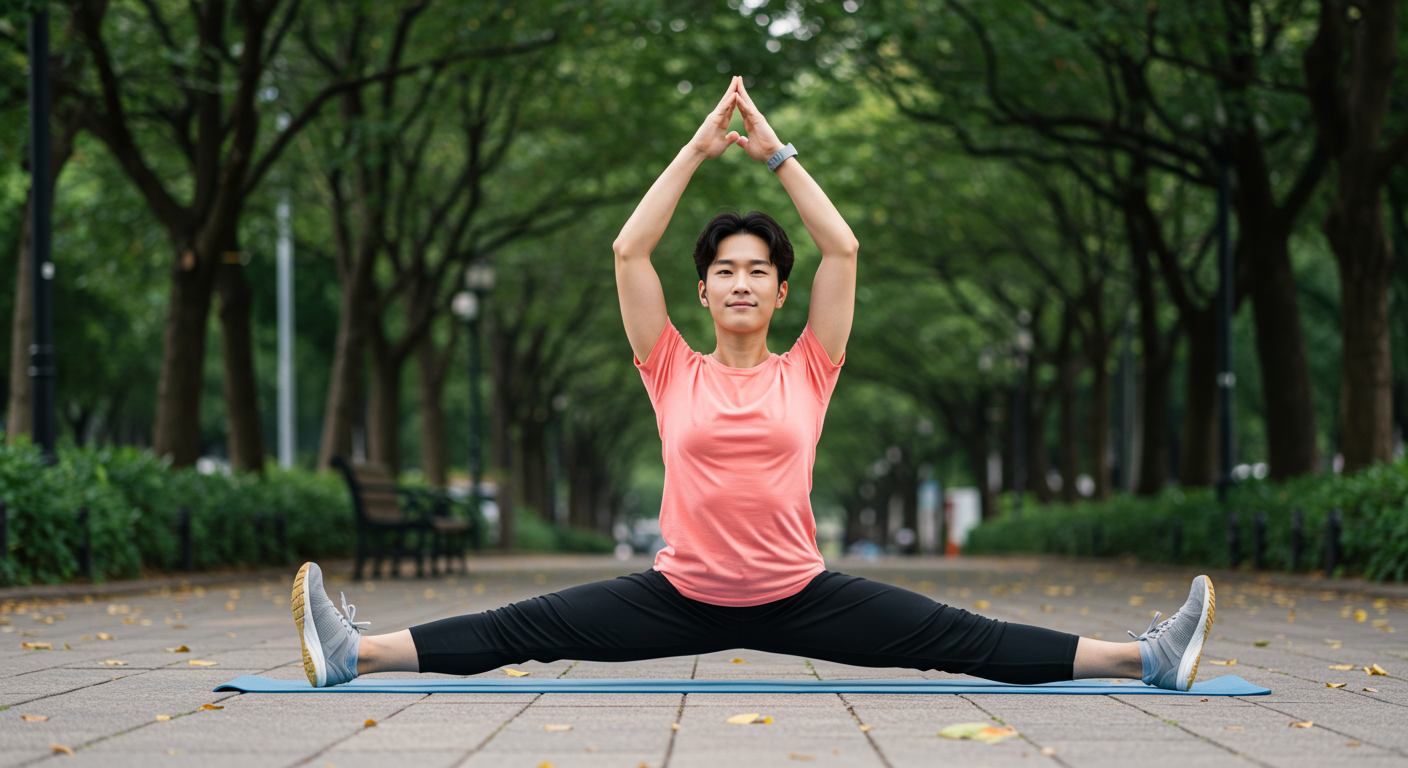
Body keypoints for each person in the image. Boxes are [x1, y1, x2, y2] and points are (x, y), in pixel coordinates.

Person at [291, 77, 1215, 693]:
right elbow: (627, 248)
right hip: (677, 593)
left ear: (779, 291)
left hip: (801, 591)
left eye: (758, 270)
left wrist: (776, 153)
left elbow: (844, 247)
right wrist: (697, 150)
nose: (741, 280)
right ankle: (352, 654)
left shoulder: (812, 366)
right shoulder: (669, 366)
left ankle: (1149, 657)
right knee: (520, 626)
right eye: (724, 269)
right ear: (703, 292)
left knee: (960, 638)